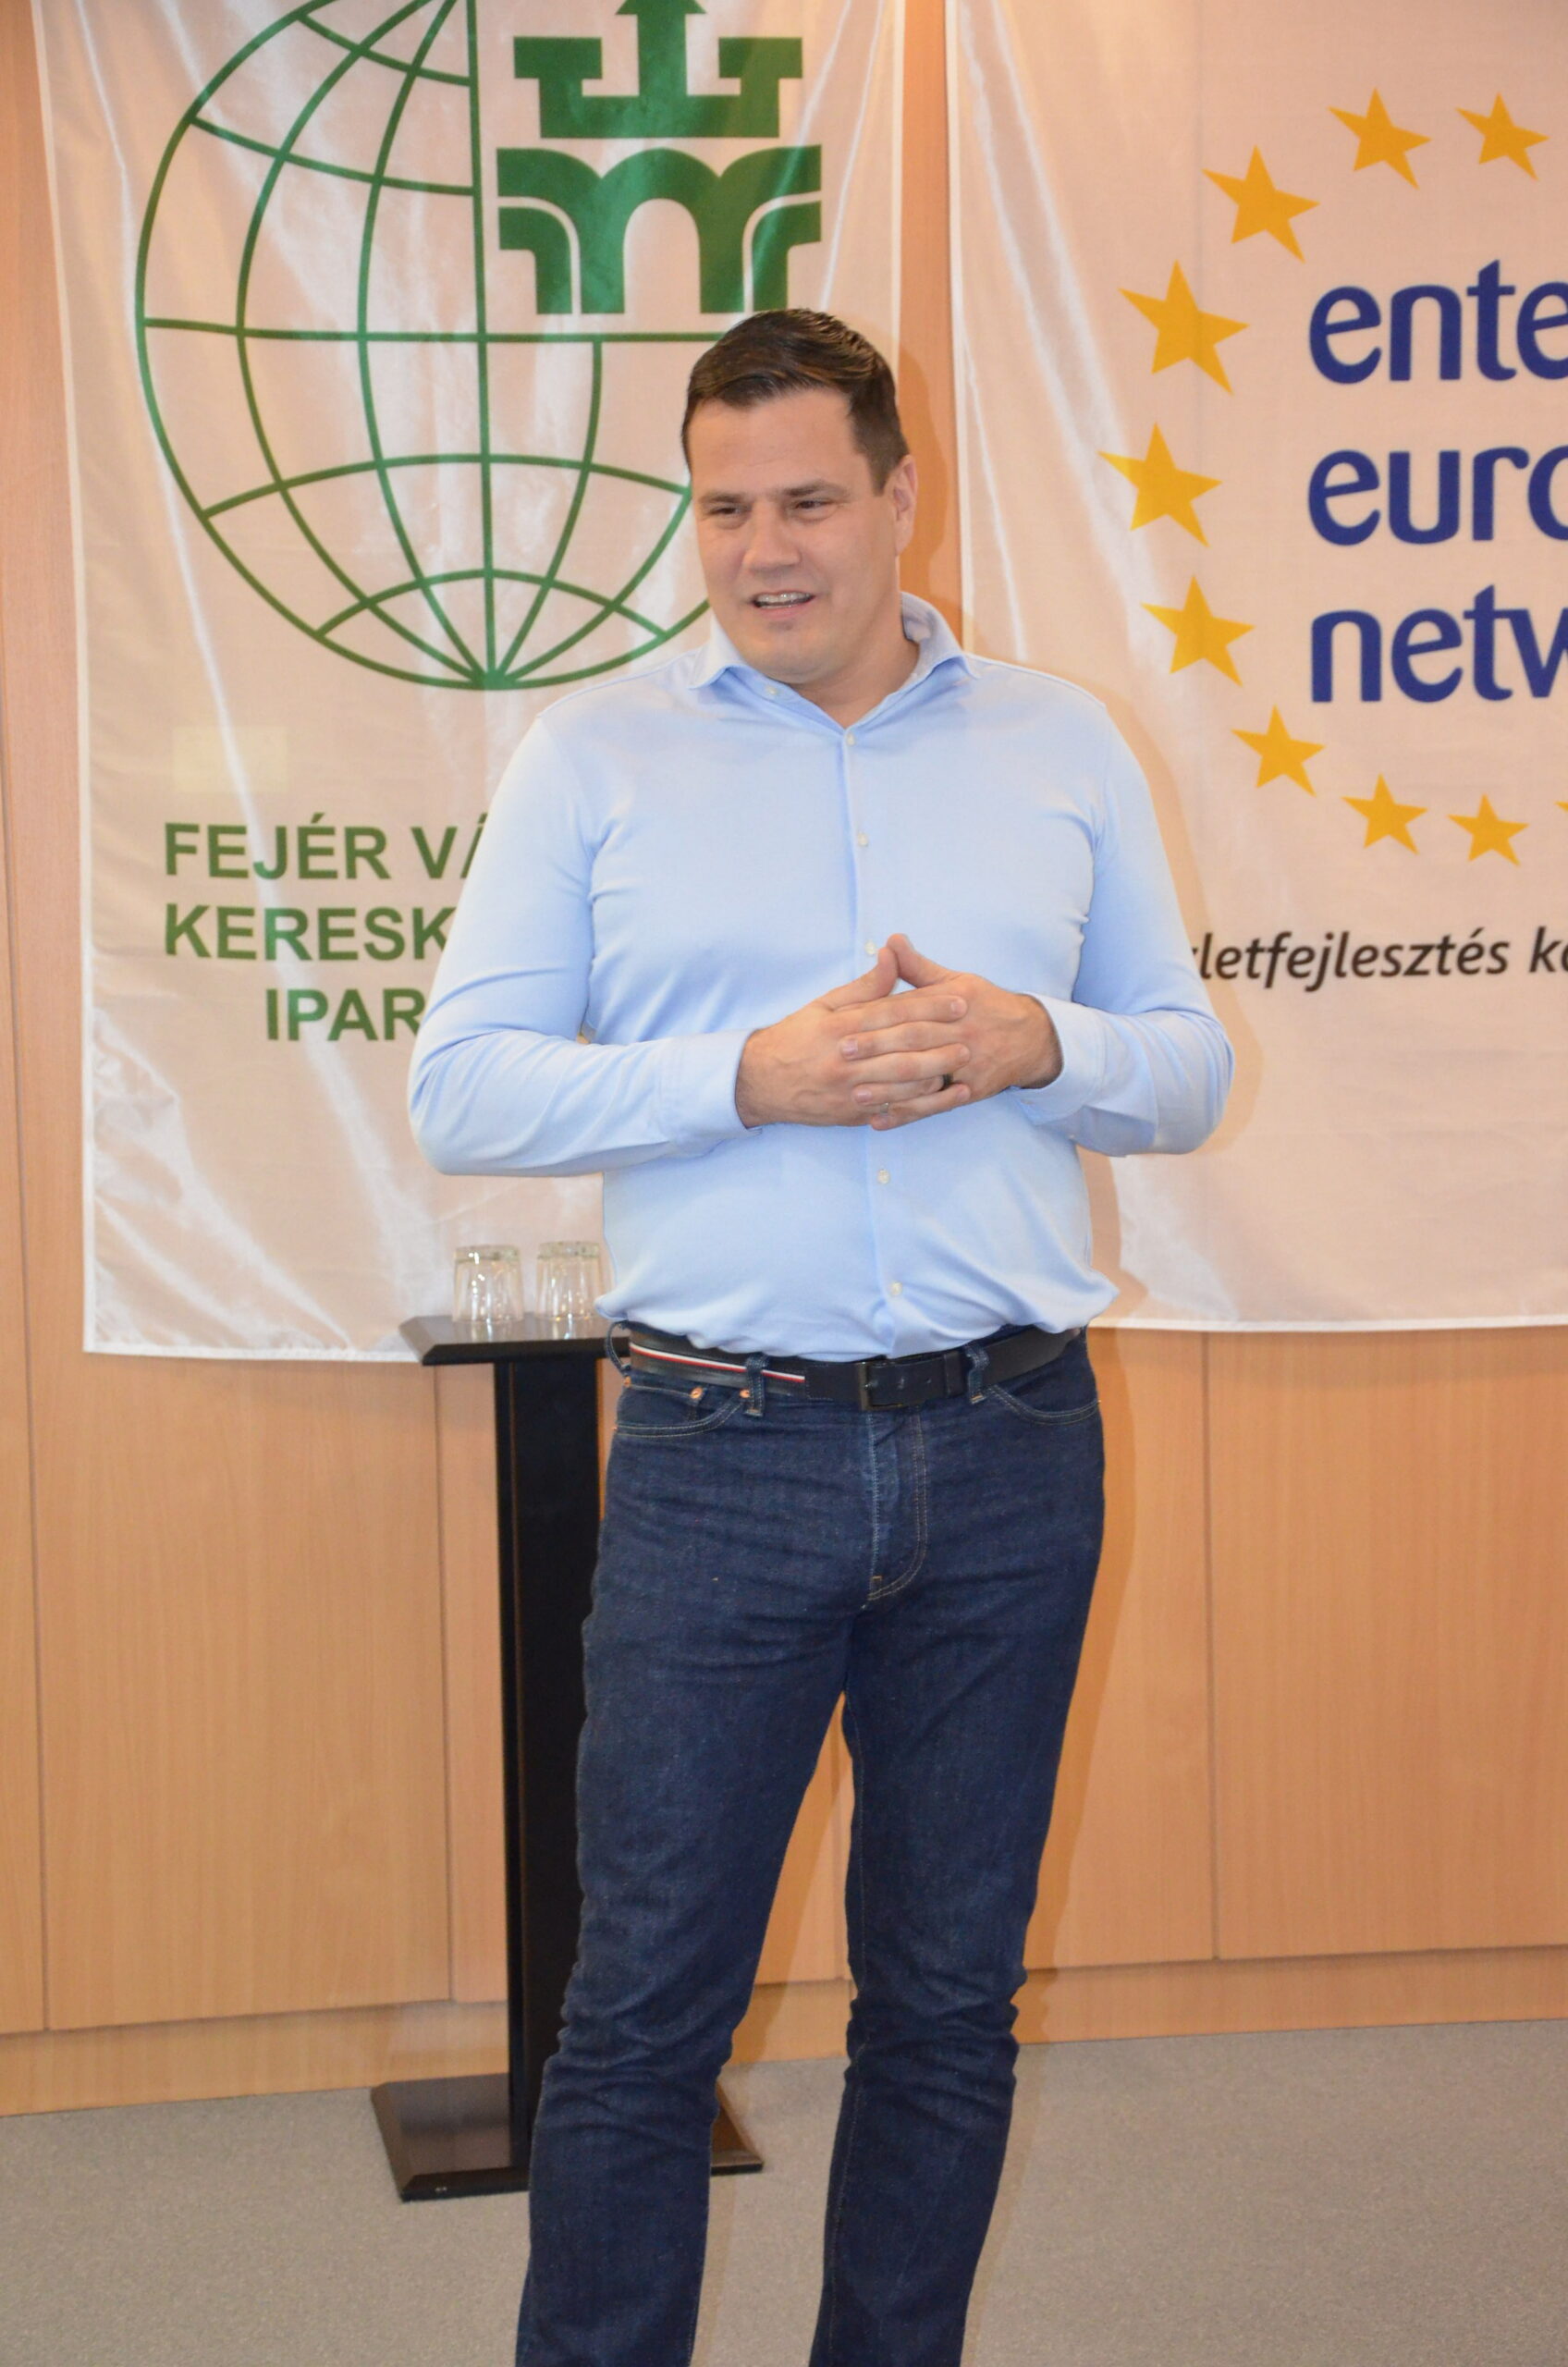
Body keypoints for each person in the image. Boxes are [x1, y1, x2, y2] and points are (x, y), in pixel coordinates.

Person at [410, 308, 1231, 2367]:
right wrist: (744, 1078)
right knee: (641, 2016)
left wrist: (1038, 1043)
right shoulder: (594, 755)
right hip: (721, 1457)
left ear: (897, 495)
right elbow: (463, 1088)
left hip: (1011, 1447)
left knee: (946, 2004)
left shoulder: (1060, 744)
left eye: (804, 502)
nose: (761, 550)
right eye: (721, 510)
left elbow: (1188, 1069)